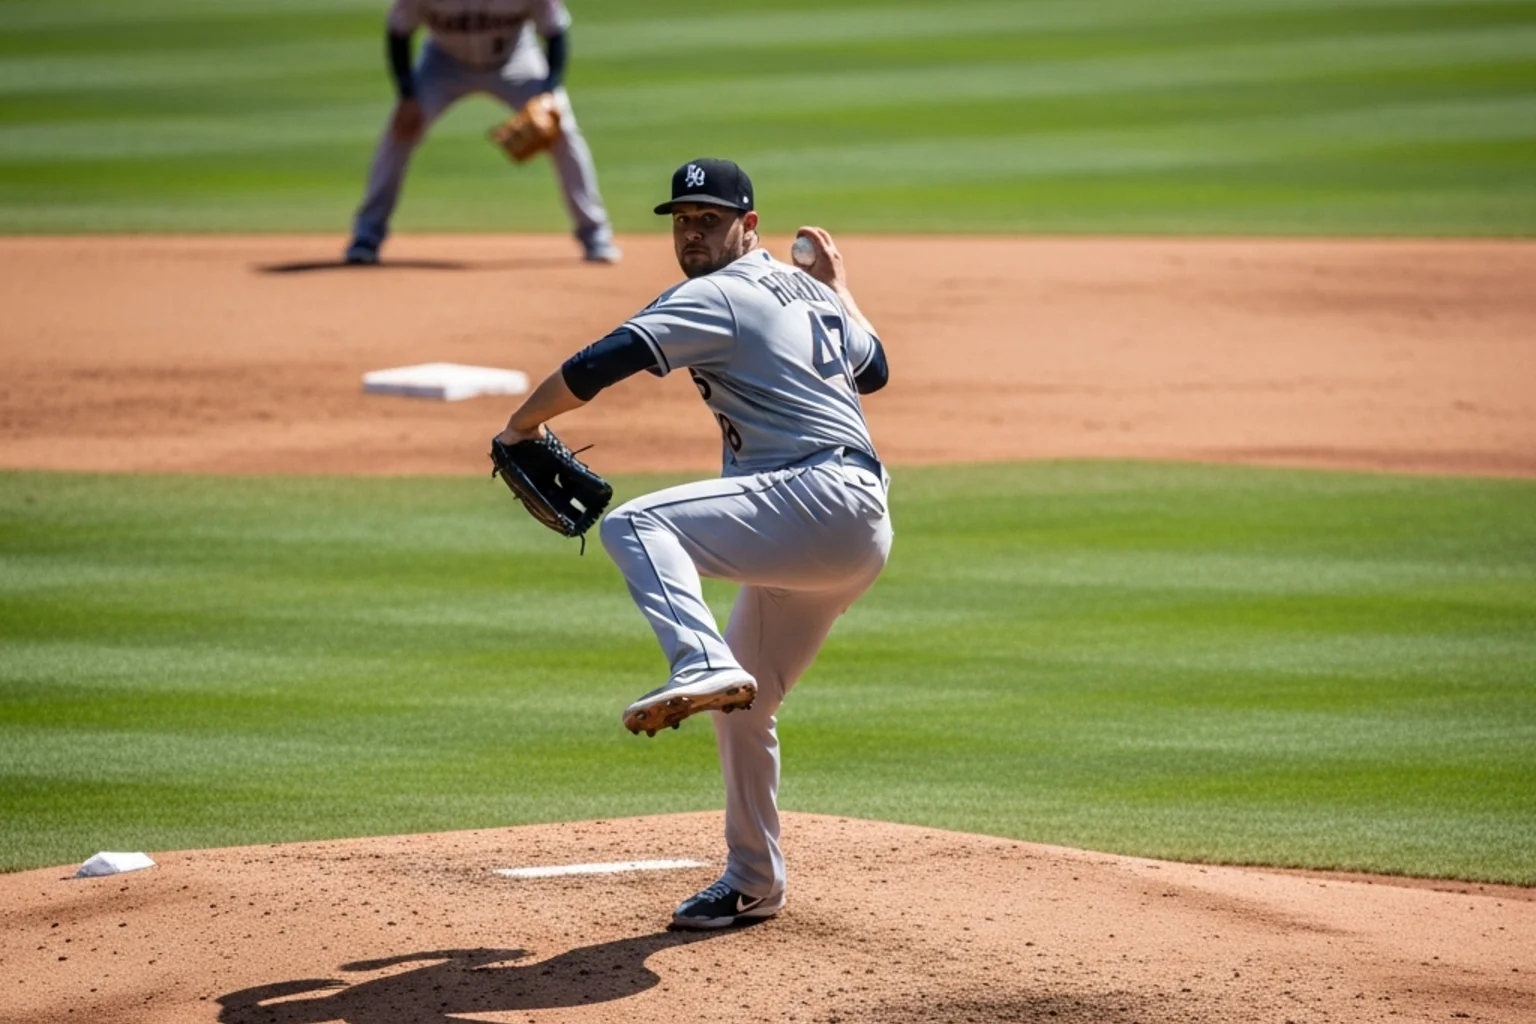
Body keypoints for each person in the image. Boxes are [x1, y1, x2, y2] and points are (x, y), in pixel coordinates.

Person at [495, 158, 892, 929]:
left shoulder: (715, 294)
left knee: (637, 524)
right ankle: (754, 879)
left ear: (749, 227)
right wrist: (840, 283)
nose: (692, 233)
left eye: (709, 220)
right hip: (851, 522)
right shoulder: (809, 291)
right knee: (747, 704)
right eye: (681, 220)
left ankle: (699, 660)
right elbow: (873, 370)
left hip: (814, 501)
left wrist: (520, 425)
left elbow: (598, 364)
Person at [345, 0, 619, 265]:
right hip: (442, 65)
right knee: (400, 131)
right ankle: (367, 236)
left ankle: (595, 234)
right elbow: (398, 32)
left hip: (516, 60)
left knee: (562, 129)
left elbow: (555, 32)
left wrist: (549, 93)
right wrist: (407, 95)